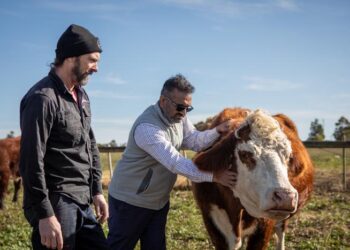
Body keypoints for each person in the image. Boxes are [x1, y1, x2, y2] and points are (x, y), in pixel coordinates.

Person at [107, 74, 237, 250]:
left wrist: (217, 131)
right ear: (163, 101)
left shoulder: (178, 117)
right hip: (130, 202)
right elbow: (175, 163)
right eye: (180, 107)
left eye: (188, 108)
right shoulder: (147, 129)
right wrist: (215, 176)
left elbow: (194, 140)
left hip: (158, 201)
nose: (183, 113)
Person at [19, 24, 108, 250]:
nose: (96, 68)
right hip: (56, 199)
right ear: (71, 58)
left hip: (82, 199)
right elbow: (31, 160)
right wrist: (44, 214)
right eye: (92, 60)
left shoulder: (81, 95)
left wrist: (96, 190)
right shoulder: (43, 98)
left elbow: (89, 143)